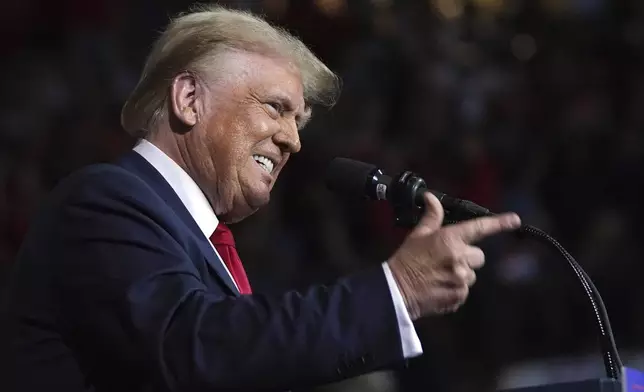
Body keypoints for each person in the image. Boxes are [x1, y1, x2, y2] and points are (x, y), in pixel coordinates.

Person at [0, 5, 521, 392]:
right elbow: (196, 349)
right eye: (276, 108)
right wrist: (397, 290)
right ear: (188, 99)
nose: (293, 139)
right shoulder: (104, 201)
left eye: (298, 122)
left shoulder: (194, 236)